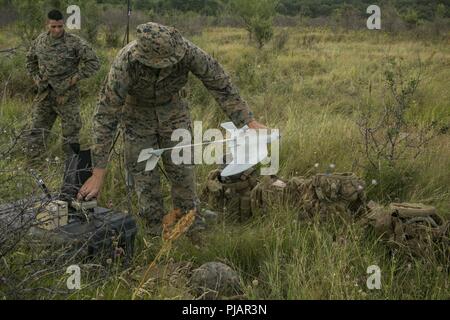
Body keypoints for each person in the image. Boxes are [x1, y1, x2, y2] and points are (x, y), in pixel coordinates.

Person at [78, 22, 266, 235]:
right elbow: (106, 114)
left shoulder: (187, 51)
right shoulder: (126, 61)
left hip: (174, 114)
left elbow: (219, 82)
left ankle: (191, 225)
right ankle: (154, 233)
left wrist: (248, 121)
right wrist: (98, 173)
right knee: (145, 179)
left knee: (183, 173)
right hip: (137, 118)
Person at [25, 9, 100, 159]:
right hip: (45, 94)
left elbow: (94, 62)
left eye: (60, 26)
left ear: (63, 24)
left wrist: (76, 78)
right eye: (53, 27)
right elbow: (30, 60)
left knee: (71, 133)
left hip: (67, 95)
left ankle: (71, 167)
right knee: (37, 130)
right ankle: (32, 163)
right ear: (47, 24)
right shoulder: (40, 41)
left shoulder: (74, 42)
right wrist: (36, 77)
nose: (57, 30)